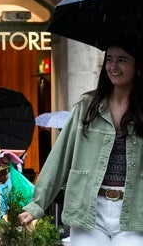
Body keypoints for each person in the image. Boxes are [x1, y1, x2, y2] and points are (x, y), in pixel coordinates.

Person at [19, 40, 143, 243]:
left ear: (137, 65)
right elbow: (60, 157)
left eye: (122, 60)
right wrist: (37, 205)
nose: (113, 67)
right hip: (88, 208)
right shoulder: (87, 105)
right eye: (109, 60)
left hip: (135, 210)